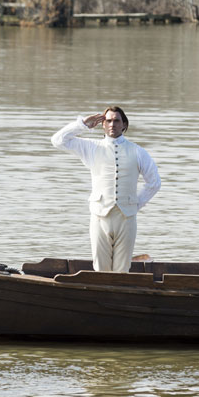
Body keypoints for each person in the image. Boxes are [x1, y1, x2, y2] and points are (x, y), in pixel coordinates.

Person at [51, 106, 161, 272]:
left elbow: (154, 183)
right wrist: (82, 124)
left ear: (124, 124)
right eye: (108, 120)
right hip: (99, 216)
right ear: (102, 124)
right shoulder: (91, 147)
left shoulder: (138, 152)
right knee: (100, 268)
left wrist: (135, 204)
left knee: (122, 270)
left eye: (116, 120)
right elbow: (58, 140)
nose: (112, 124)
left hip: (127, 219)